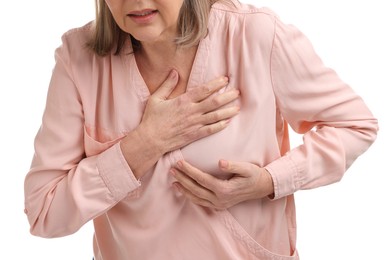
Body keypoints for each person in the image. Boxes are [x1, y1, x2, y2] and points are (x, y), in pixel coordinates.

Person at [24, 0, 378, 259]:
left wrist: (269, 181)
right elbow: (44, 212)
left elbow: (355, 125)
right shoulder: (78, 58)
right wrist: (145, 143)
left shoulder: (256, 35)